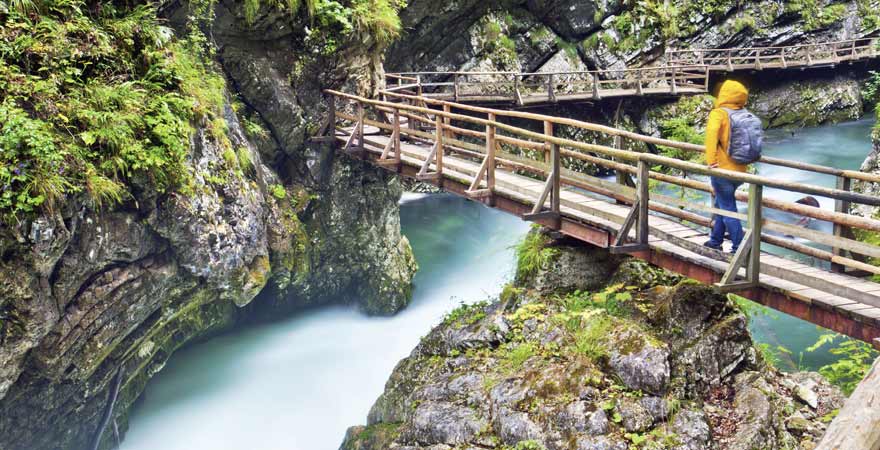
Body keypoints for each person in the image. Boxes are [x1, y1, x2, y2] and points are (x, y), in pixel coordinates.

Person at [703, 79, 760, 253]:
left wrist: (710, 161)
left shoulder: (719, 114)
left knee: (728, 209)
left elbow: (711, 137)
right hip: (741, 170)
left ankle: (740, 247)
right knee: (722, 204)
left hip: (722, 171)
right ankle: (715, 241)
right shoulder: (744, 113)